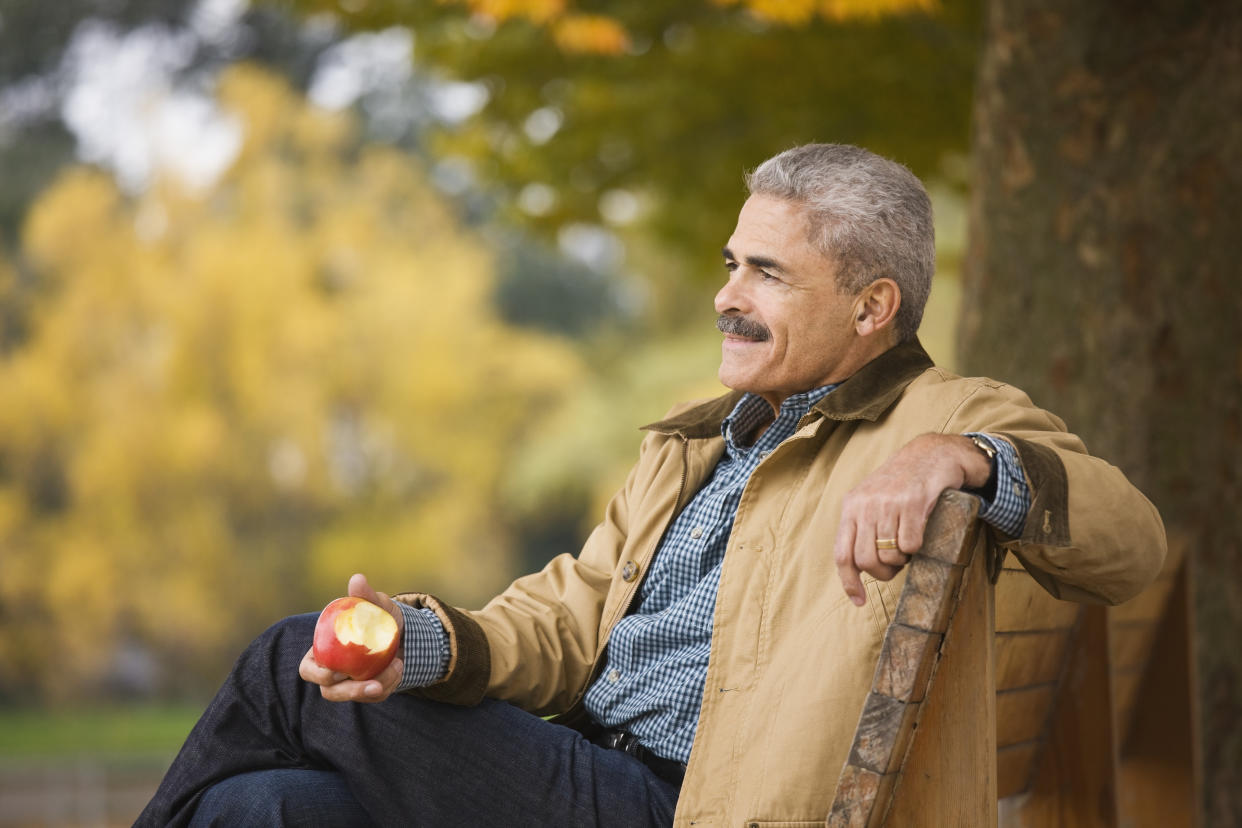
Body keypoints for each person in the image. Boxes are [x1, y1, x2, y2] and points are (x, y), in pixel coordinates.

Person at [137, 143, 1166, 827]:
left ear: (872, 307)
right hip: (583, 768)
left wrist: (970, 460)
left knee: (284, 660)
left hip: (683, 806)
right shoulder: (707, 442)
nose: (726, 296)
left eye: (767, 273)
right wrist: (429, 643)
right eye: (731, 265)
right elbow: (576, 618)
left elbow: (1131, 542)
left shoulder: (946, 415)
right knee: (262, 809)